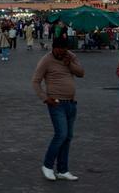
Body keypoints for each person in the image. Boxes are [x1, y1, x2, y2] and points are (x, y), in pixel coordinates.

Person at [31, 36, 84, 182]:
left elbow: (81, 73)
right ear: (54, 48)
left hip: (71, 102)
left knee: (67, 137)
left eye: (65, 50)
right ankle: (47, 165)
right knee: (61, 134)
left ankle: (62, 170)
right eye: (60, 50)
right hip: (56, 103)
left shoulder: (70, 56)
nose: (62, 53)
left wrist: (70, 64)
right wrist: (44, 97)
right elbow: (35, 81)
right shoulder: (46, 60)